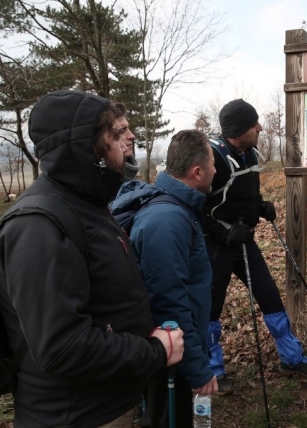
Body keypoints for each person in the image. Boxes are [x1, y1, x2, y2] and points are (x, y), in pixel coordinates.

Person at [0, 90, 184, 428]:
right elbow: (62, 346)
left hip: (109, 403)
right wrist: (154, 351)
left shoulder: (85, 204)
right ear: (85, 147)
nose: (131, 137)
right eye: (116, 133)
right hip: (79, 416)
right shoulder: (39, 225)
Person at [204, 99, 307, 394]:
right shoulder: (214, 158)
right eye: (253, 124)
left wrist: (260, 206)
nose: (259, 127)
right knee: (210, 309)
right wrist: (226, 231)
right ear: (236, 131)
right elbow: (198, 208)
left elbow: (243, 193)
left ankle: (291, 358)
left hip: (244, 241)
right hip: (216, 247)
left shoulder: (250, 152)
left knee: (270, 296)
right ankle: (212, 372)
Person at [111, 130, 218, 427]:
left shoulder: (179, 209)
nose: (216, 169)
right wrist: (196, 368)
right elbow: (168, 301)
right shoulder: (167, 220)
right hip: (169, 357)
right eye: (212, 163)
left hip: (176, 350)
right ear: (197, 172)